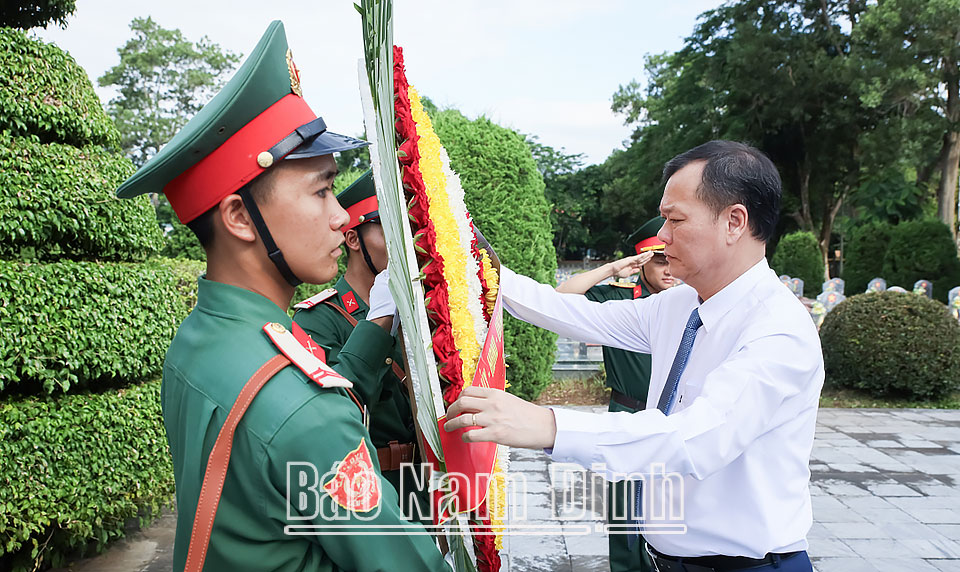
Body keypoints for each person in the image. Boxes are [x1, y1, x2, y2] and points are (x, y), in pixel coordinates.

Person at [115, 22, 447, 571]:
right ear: (240, 217)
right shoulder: (304, 408)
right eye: (320, 191)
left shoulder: (198, 337)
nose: (343, 218)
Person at [445, 141, 821, 572]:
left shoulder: (778, 329)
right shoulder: (681, 306)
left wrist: (547, 425)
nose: (661, 237)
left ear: (734, 221)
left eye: (674, 220)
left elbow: (693, 440)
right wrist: (472, 261)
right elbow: (578, 315)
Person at [293, 170, 430, 524]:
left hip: (430, 485)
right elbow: (334, 412)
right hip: (371, 492)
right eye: (390, 232)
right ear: (353, 239)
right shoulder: (318, 320)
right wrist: (380, 320)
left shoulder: (422, 310)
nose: (406, 245)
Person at [554, 216, 673, 572]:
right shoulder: (618, 298)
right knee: (625, 510)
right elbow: (560, 297)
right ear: (641, 261)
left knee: (672, 509)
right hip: (627, 411)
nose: (669, 270)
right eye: (659, 260)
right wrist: (611, 269)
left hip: (674, 416)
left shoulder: (691, 301)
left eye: (672, 259)